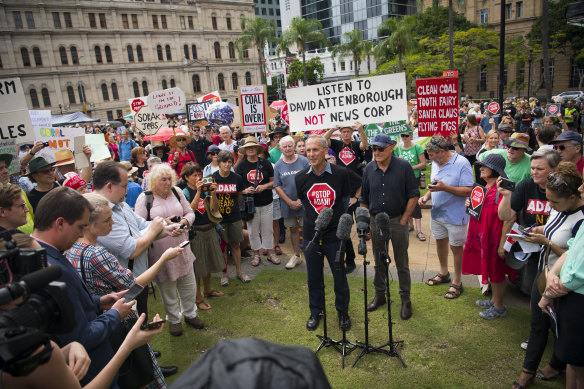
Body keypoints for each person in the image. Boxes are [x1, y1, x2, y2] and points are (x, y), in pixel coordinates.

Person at [66, 192, 181, 382]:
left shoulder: (73, 248)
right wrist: (163, 258)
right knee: (137, 372)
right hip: (116, 323)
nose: (113, 223)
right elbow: (132, 285)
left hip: (101, 322)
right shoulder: (96, 254)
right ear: (88, 224)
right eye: (107, 220)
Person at [31, 187, 135, 388]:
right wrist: (115, 314)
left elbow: (70, 305)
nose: (82, 233)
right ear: (60, 223)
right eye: (80, 227)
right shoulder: (50, 268)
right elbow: (81, 337)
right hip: (90, 371)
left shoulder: (47, 254)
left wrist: (98, 301)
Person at [508, 162, 584, 389]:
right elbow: (553, 228)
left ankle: (555, 365)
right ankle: (527, 373)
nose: (550, 205)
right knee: (537, 326)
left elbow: (574, 256)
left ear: (572, 198)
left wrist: (547, 242)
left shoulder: (581, 219)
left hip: (564, 285)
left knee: (563, 333)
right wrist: (538, 231)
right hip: (545, 276)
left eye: (555, 202)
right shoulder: (559, 207)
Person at [93, 161, 181, 319]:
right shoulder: (101, 215)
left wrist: (164, 229)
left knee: (142, 321)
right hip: (120, 289)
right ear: (109, 186)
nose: (127, 190)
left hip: (138, 280)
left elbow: (143, 227)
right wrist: (156, 228)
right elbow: (132, 249)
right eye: (124, 185)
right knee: (131, 328)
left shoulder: (121, 205)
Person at [134, 164, 203, 337]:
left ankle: (190, 314)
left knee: (189, 285)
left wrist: (185, 223)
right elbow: (138, 226)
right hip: (160, 253)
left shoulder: (177, 192)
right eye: (163, 180)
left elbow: (190, 212)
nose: (167, 183)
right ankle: (174, 320)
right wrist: (164, 223)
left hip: (182, 246)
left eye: (169, 179)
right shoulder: (145, 198)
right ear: (154, 181)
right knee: (168, 289)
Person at [295, 135, 352, 331]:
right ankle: (316, 311)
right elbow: (305, 204)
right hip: (311, 234)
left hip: (335, 236)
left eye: (315, 150)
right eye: (308, 150)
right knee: (313, 277)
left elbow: (344, 202)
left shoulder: (341, 174)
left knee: (339, 276)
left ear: (325, 151)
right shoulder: (300, 177)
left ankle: (342, 311)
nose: (311, 154)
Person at [360, 134, 419, 320]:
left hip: (397, 220)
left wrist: (404, 220)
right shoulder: (369, 169)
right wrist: (366, 222)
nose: (376, 152)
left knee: (402, 262)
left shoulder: (404, 167)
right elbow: (363, 198)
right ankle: (380, 296)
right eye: (374, 149)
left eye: (380, 149)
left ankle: (405, 300)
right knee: (379, 262)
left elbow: (414, 195)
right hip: (376, 221)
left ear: (391, 147)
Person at [419, 135, 473, 299]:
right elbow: (436, 184)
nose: (429, 157)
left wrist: (445, 188)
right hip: (437, 213)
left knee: (456, 247)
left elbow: (468, 190)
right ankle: (444, 273)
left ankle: (457, 281)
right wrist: (427, 196)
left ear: (442, 151)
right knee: (440, 242)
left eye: (431, 154)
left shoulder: (462, 163)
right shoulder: (436, 162)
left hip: (456, 215)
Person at [462, 154, 515, 319]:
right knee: (491, 270)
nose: (481, 168)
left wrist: (502, 244)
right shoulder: (485, 186)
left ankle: (499, 307)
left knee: (497, 272)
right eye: (480, 165)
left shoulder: (503, 189)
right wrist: (471, 204)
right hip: (484, 236)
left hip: (495, 238)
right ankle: (494, 300)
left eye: (485, 166)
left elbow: (509, 218)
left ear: (495, 170)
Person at [538, 215, 584, 389]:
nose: (580, 192)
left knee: (579, 365)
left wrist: (549, 293)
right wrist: (552, 274)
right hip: (569, 296)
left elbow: (578, 275)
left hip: (578, 300)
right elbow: (571, 250)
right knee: (572, 360)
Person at [181, 163, 225, 310]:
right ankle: (197, 298)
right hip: (196, 232)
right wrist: (199, 192)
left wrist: (212, 193)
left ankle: (207, 290)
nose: (198, 177)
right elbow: (190, 211)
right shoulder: (185, 192)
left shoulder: (206, 191)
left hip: (209, 229)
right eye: (194, 175)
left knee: (208, 263)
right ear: (186, 177)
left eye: (199, 174)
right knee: (197, 266)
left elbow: (214, 209)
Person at [235, 136, 278, 266]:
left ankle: (270, 252)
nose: (251, 149)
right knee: (253, 230)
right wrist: (245, 191)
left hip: (266, 201)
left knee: (267, 228)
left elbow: (274, 182)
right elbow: (237, 187)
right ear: (245, 150)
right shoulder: (241, 165)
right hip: (250, 204)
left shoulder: (266, 163)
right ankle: (256, 254)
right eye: (248, 147)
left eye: (253, 147)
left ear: (257, 148)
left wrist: (264, 186)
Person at [212, 150, 250, 283]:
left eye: (229, 162)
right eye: (224, 162)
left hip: (234, 217)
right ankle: (224, 274)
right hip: (219, 219)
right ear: (218, 163)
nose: (227, 165)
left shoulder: (237, 178)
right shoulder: (213, 178)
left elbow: (238, 195)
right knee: (222, 247)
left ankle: (239, 272)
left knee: (235, 245)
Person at [274, 136, 310, 269]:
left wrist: (300, 199)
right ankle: (297, 256)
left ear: (294, 146)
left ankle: (310, 255)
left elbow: (309, 180)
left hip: (305, 202)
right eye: (285, 146)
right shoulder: (278, 165)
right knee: (293, 229)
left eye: (290, 146)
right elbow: (277, 186)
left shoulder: (303, 161)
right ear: (281, 148)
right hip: (287, 204)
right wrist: (289, 202)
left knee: (308, 228)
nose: (288, 149)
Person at [396, 130, 427, 241]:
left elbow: (423, 163)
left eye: (406, 135)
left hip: (414, 178)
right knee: (405, 202)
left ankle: (419, 230)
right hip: (402, 179)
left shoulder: (417, 147)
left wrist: (409, 167)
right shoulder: (397, 149)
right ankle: (410, 225)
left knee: (415, 202)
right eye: (402, 135)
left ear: (411, 136)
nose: (404, 137)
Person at [0, 154, 34, 233]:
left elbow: (30, 211)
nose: (5, 171)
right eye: (0, 169)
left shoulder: (17, 189)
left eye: (5, 167)